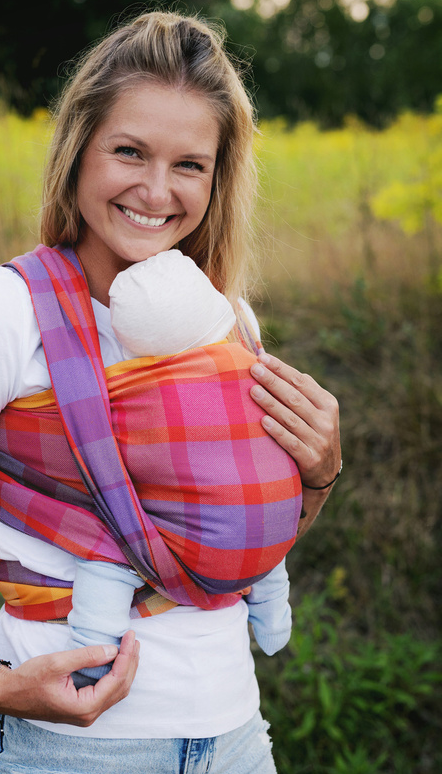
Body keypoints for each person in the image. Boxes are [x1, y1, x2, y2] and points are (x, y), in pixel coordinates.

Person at [0, 11, 341, 774]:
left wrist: (320, 475)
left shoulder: (228, 320)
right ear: (78, 147)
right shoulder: (3, 314)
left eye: (190, 164)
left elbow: (226, 540)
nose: (157, 190)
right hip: (67, 766)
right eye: (129, 152)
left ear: (218, 179)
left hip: (228, 746)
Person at [68, 248, 295, 688]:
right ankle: (274, 623)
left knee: (111, 557)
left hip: (185, 542)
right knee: (266, 542)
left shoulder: (128, 386)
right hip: (269, 527)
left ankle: (92, 658)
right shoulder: (252, 360)